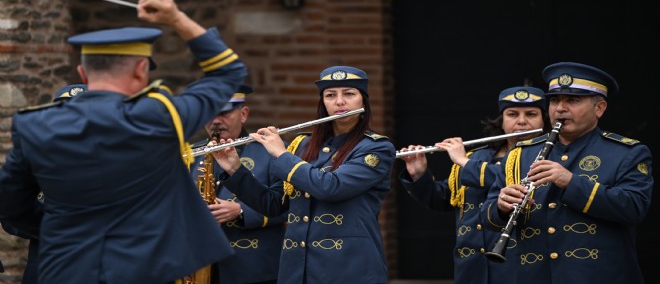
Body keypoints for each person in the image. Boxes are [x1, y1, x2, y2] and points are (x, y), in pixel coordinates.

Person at [0, 0, 248, 284]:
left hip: (64, 271)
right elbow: (229, 72)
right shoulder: (160, 116)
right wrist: (176, 18)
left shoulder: (34, 124)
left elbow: (11, 204)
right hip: (142, 271)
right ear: (141, 70)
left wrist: (62, 231)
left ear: (82, 73)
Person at [210, 65, 396, 284]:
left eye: (349, 94)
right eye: (330, 95)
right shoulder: (304, 145)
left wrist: (280, 154)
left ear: (363, 100)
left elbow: (330, 187)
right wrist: (234, 168)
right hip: (298, 269)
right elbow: (273, 204)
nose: (339, 102)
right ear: (322, 102)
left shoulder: (376, 148)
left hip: (348, 268)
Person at [483, 62, 653, 284]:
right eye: (554, 100)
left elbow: (634, 208)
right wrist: (500, 207)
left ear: (599, 108)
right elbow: (487, 217)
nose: (560, 108)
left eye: (573, 100)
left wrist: (571, 182)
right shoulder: (520, 153)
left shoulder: (627, 152)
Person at [398, 86, 550, 284]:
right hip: (471, 269)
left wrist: (465, 162)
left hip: (519, 268)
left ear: (543, 121)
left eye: (531, 114)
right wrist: (418, 173)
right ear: (501, 121)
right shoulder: (478, 155)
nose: (521, 121)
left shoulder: (547, 156)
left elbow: (511, 177)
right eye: (512, 114)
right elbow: (444, 199)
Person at [190, 84, 286, 284]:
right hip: (199, 263)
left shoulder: (272, 151)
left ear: (243, 114)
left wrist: (241, 211)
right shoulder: (190, 154)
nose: (216, 120)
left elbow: (288, 206)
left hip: (253, 268)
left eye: (224, 112)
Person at [0, 84, 87, 284]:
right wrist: (54, 225)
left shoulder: (111, 159)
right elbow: (10, 214)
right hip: (44, 265)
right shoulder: (37, 158)